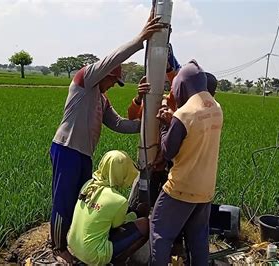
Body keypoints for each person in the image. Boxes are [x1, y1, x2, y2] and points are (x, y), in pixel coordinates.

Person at [49, 12, 165, 262]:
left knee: (79, 199)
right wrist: (139, 39)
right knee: (63, 198)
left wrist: (148, 125)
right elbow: (112, 58)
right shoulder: (85, 80)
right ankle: (58, 246)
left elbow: (120, 124)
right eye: (114, 80)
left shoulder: (102, 98)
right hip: (67, 149)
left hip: (84, 155)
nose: (114, 85)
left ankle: (74, 238)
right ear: (105, 75)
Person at [149, 61, 223, 265]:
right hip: (205, 189)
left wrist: (166, 125)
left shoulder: (184, 114)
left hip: (181, 187)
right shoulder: (216, 108)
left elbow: (168, 150)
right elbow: (195, 135)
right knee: (198, 237)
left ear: (182, 85)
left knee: (160, 231)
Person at [67, 150, 149, 265]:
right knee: (145, 225)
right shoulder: (118, 200)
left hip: (74, 246)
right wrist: (137, 213)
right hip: (93, 255)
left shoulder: (89, 184)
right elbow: (117, 225)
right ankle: (116, 261)